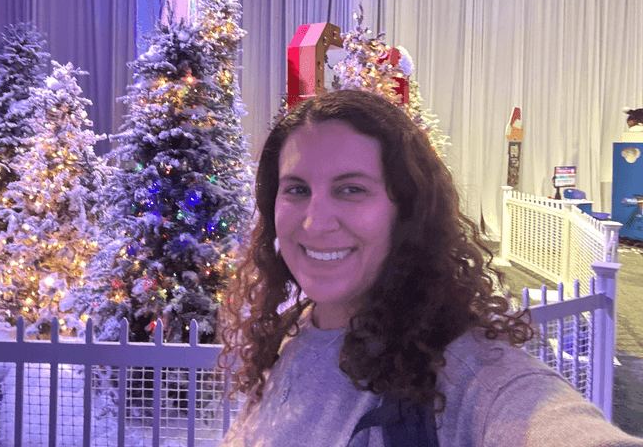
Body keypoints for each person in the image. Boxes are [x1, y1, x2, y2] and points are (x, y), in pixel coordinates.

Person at [217, 89, 643, 447]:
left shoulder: (461, 371)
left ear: (407, 210)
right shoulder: (291, 338)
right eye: (297, 189)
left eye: (351, 189)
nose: (315, 220)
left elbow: (546, 419)